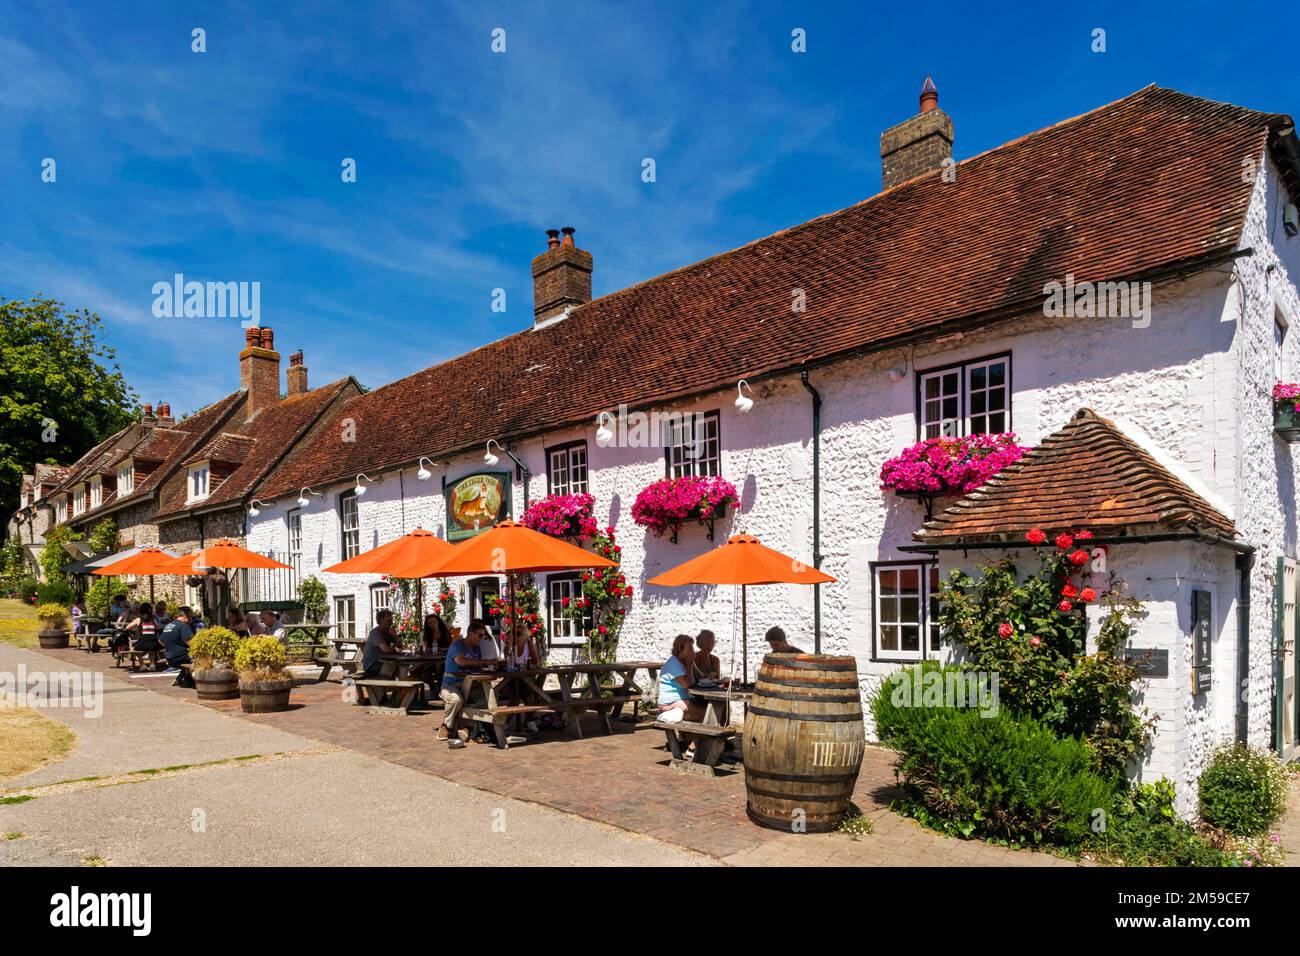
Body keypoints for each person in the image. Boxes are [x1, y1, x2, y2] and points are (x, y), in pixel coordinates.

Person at [438, 620, 492, 746]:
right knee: (456, 699)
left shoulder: (477, 648)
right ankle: (447, 725)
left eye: (483, 636)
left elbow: (476, 667)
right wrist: (484, 662)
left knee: (486, 697)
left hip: (469, 684)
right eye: (479, 635)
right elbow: (461, 661)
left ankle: (466, 724)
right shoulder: (457, 645)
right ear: (471, 634)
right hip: (450, 684)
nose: (481, 638)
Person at [658, 634, 706, 723]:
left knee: (709, 707)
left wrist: (691, 664)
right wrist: (689, 665)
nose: (693, 650)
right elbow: (686, 685)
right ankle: (700, 736)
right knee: (708, 712)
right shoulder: (674, 663)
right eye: (690, 647)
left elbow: (694, 680)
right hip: (670, 704)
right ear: (680, 649)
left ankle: (694, 736)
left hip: (682, 700)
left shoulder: (682, 662)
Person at [361, 609, 398, 678]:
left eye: (391, 621)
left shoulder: (388, 632)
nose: (390, 623)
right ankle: (395, 686)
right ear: (381, 620)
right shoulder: (375, 633)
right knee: (396, 667)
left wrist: (395, 636)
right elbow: (386, 650)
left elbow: (400, 646)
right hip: (371, 665)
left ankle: (396, 686)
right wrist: (393, 648)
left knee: (398, 666)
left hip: (381, 662)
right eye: (388, 621)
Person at [160, 606, 195, 671]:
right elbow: (192, 644)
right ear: (186, 616)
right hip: (181, 657)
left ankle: (183, 678)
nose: (192, 619)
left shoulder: (169, 625)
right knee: (203, 661)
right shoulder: (183, 626)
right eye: (191, 617)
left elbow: (160, 640)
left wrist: (172, 647)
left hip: (169, 657)